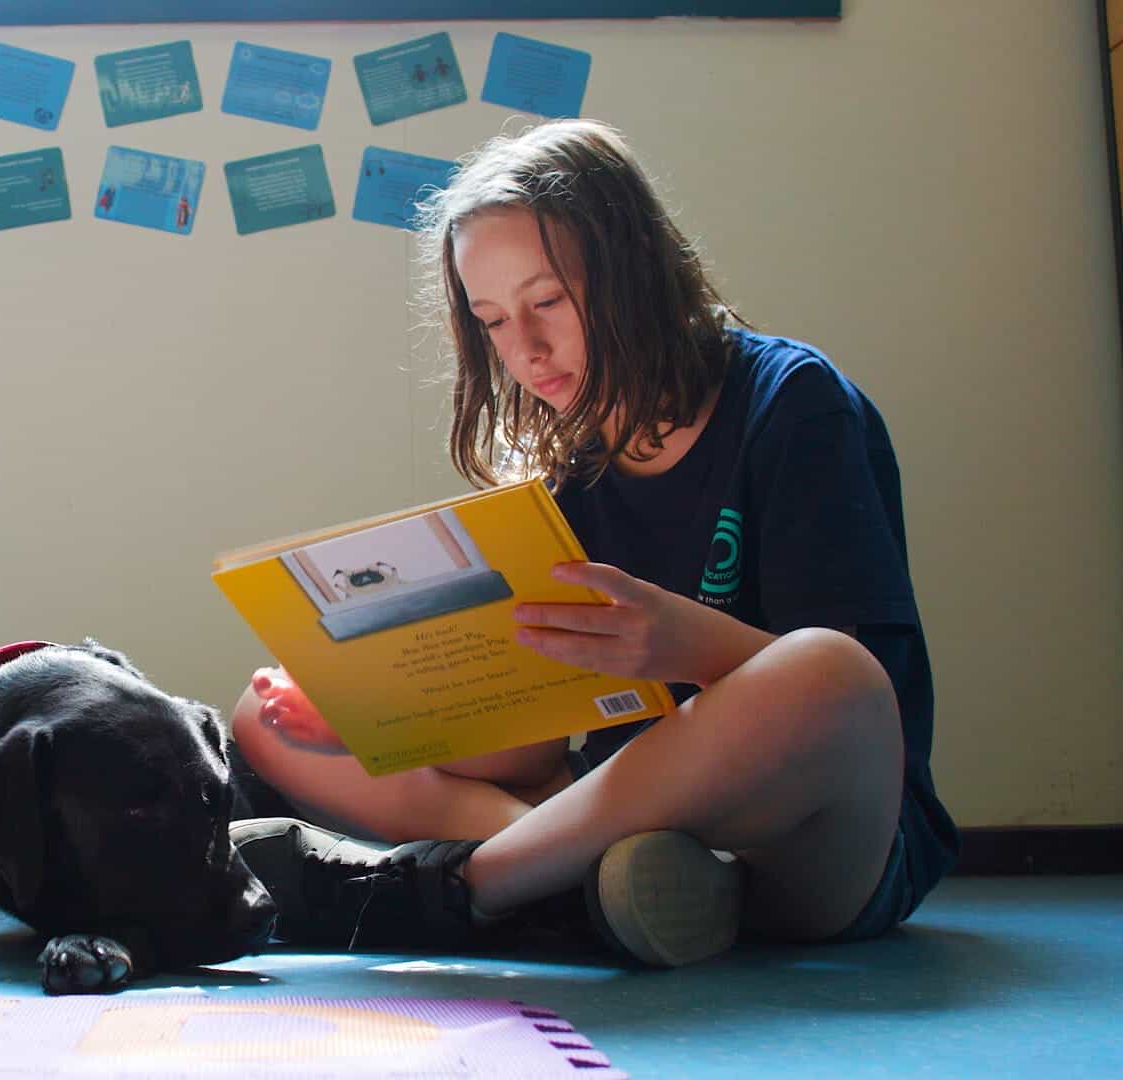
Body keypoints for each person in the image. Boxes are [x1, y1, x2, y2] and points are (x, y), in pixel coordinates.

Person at [226, 118, 958, 967]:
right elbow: (534, 743)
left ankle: (473, 887)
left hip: (807, 844)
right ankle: (603, 885)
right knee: (262, 719)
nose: (526, 351)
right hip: (624, 819)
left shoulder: (794, 405)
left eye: (546, 303)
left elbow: (860, 714)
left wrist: (685, 647)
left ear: (634, 272)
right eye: (493, 321)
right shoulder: (560, 465)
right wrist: (376, 711)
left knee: (827, 671)